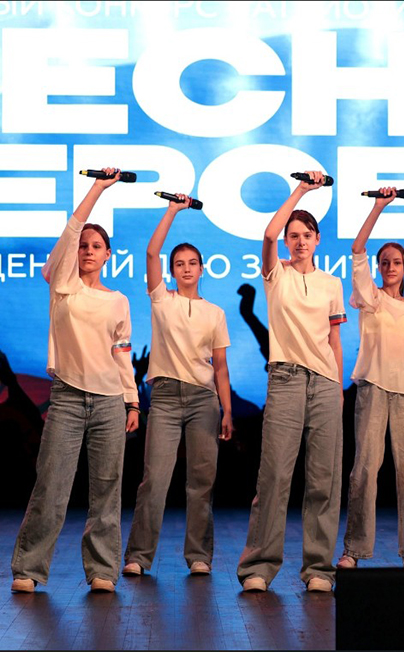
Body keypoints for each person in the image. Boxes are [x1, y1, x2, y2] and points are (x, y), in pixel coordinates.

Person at [11, 168, 140, 594]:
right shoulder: (63, 285)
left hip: (109, 402)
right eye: (83, 245)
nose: (87, 250)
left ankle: (103, 569)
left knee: (106, 490)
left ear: (108, 255)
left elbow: (122, 355)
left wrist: (132, 401)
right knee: (51, 485)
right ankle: (29, 568)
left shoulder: (118, 300)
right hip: (67, 398)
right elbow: (69, 234)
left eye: (96, 246)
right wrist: (98, 188)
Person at [237, 171, 347, 593]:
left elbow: (335, 339)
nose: (300, 241)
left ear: (318, 240)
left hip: (325, 382)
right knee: (274, 476)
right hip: (285, 378)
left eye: (307, 235)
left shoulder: (331, 283)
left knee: (324, 479)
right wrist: (301, 190)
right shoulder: (276, 275)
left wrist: (338, 387)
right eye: (293, 235)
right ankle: (259, 567)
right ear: (286, 241)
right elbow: (267, 235)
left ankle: (319, 569)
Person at [122, 193, 233, 577]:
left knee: (201, 482)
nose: (186, 268)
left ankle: (199, 555)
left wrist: (227, 410)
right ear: (171, 270)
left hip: (204, 399)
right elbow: (151, 252)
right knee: (154, 479)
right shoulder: (162, 301)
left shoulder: (215, 312)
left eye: (192, 263)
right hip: (166, 397)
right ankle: (138, 557)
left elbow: (220, 367)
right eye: (179, 264)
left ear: (202, 269)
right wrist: (173, 210)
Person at [337, 187, 404, 570]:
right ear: (378, 267)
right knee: (365, 468)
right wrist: (379, 206)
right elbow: (357, 249)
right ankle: (354, 550)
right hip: (374, 389)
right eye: (385, 262)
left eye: (396, 262)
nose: (390, 266)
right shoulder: (370, 299)